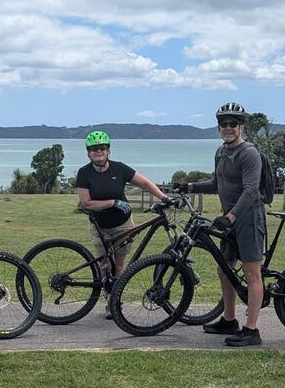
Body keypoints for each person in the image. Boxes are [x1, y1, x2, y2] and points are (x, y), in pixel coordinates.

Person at [180, 102, 266, 347]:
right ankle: (229, 319)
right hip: (230, 218)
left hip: (247, 218)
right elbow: (217, 183)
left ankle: (252, 330)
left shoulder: (249, 153)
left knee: (252, 273)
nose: (227, 128)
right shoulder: (221, 152)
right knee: (224, 269)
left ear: (241, 127)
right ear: (218, 128)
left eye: (232, 124)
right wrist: (189, 187)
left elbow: (250, 191)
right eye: (223, 124)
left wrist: (230, 217)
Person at [74, 130, 171, 316]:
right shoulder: (84, 173)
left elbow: (144, 183)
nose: (99, 152)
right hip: (99, 225)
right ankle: (107, 296)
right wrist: (112, 202)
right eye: (94, 149)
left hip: (123, 224)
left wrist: (163, 197)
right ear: (88, 152)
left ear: (108, 151)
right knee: (105, 265)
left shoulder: (119, 169)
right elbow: (86, 203)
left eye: (102, 148)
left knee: (119, 264)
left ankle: (114, 302)